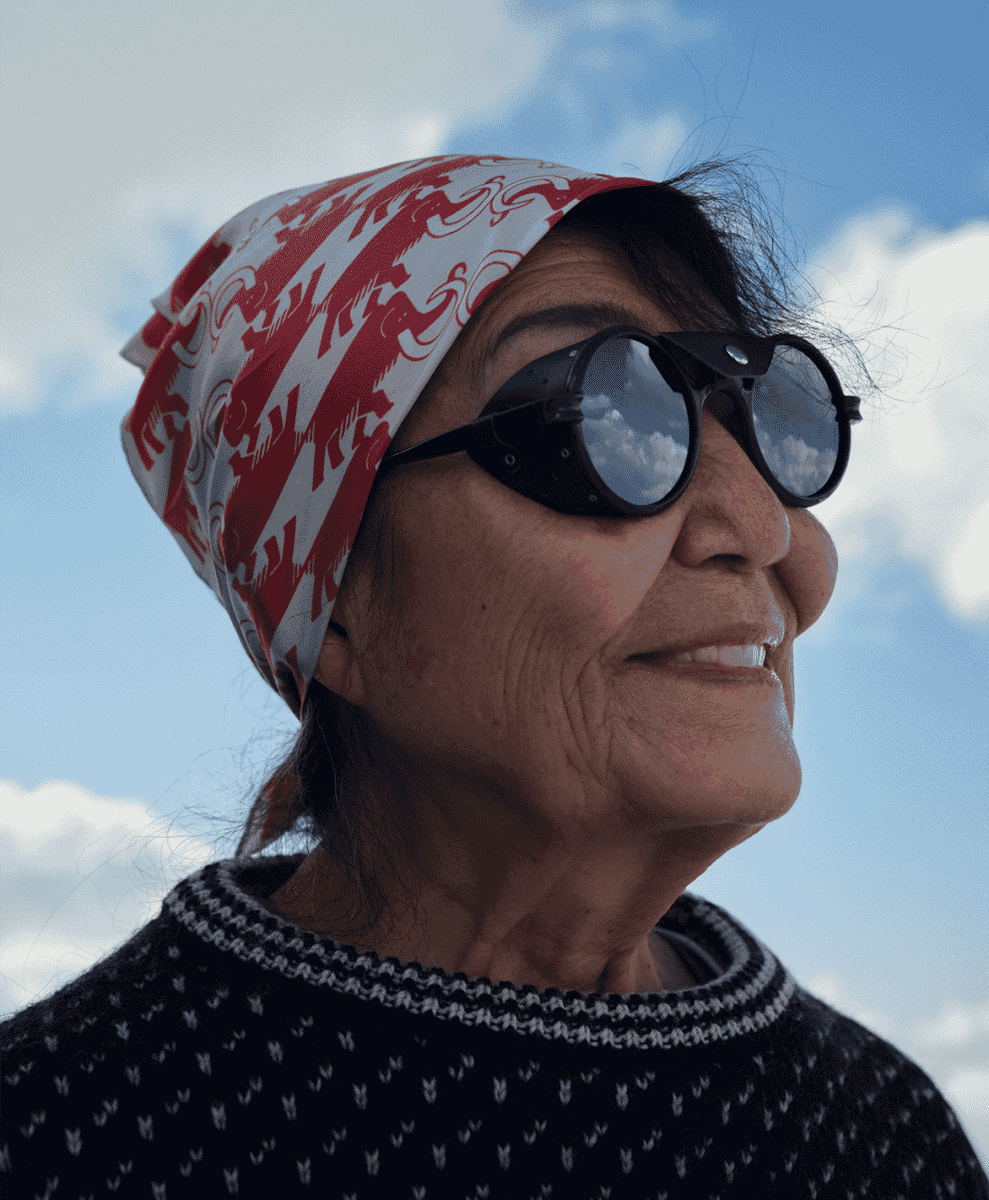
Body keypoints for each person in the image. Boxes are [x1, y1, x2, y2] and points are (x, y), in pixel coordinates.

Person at [2, 154, 985, 1198]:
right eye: (600, 415)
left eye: (768, 411)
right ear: (335, 610)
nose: (760, 528)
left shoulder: (879, 1132)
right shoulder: (66, 1138)